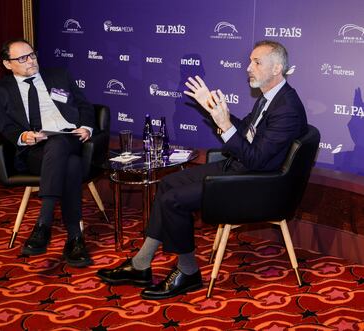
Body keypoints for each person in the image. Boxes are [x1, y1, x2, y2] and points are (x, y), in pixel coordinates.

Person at [97, 40, 308, 299]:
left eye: (256, 62)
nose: (248, 67)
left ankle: (188, 273)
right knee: (168, 184)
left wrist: (225, 125)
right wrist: (214, 111)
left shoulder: (287, 109)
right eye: (249, 61)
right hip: (241, 171)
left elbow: (256, 160)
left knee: (174, 201)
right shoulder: (270, 98)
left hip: (257, 186)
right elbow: (251, 138)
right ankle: (141, 265)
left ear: (277, 68)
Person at [0, 38, 96, 267]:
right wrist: (24, 136)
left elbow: (86, 106)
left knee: (59, 144)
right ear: (8, 64)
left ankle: (43, 224)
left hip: (69, 137)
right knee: (72, 165)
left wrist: (85, 127)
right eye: (22, 58)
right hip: (35, 150)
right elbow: (6, 127)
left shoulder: (59, 75)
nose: (30, 61)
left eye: (32, 55)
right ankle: (75, 238)